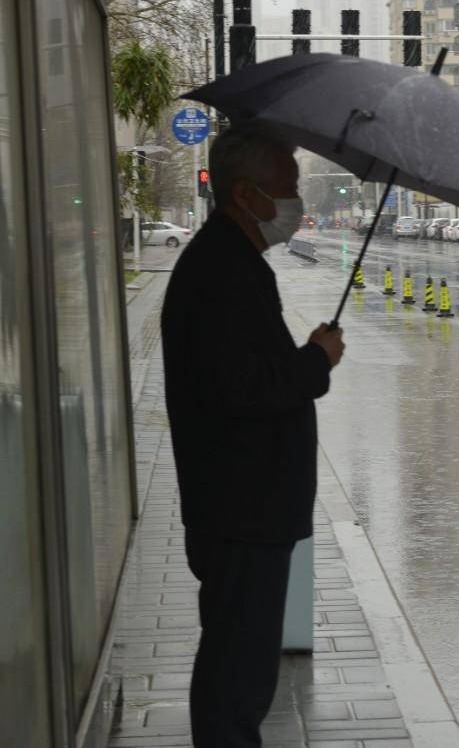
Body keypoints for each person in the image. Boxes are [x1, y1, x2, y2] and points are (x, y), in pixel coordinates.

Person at [161, 126, 344, 747]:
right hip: (241, 508)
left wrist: (306, 358)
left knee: (239, 667)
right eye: (287, 190)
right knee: (236, 680)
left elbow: (240, 374)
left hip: (245, 507)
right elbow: (244, 389)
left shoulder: (232, 263)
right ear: (246, 194)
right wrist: (316, 360)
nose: (297, 204)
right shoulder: (221, 273)